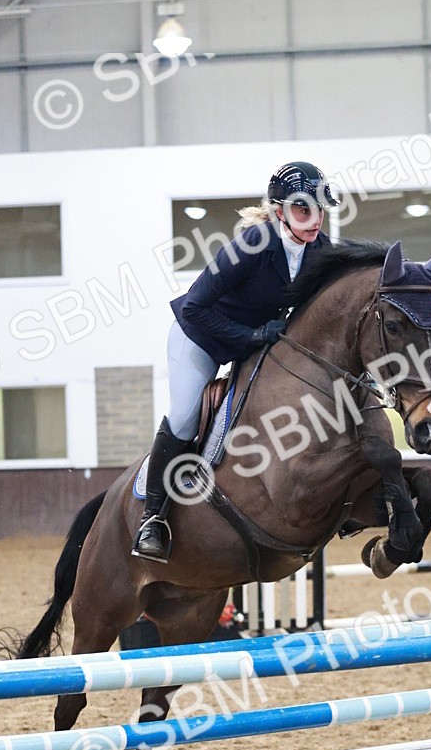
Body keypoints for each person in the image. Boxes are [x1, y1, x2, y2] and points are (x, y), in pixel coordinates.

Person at [132, 160, 339, 562]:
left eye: (320, 209)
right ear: (280, 211)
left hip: (255, 345)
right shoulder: (252, 246)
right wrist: (249, 337)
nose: (314, 219)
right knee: (186, 417)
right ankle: (152, 519)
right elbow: (194, 307)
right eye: (303, 210)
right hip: (200, 338)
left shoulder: (321, 251)